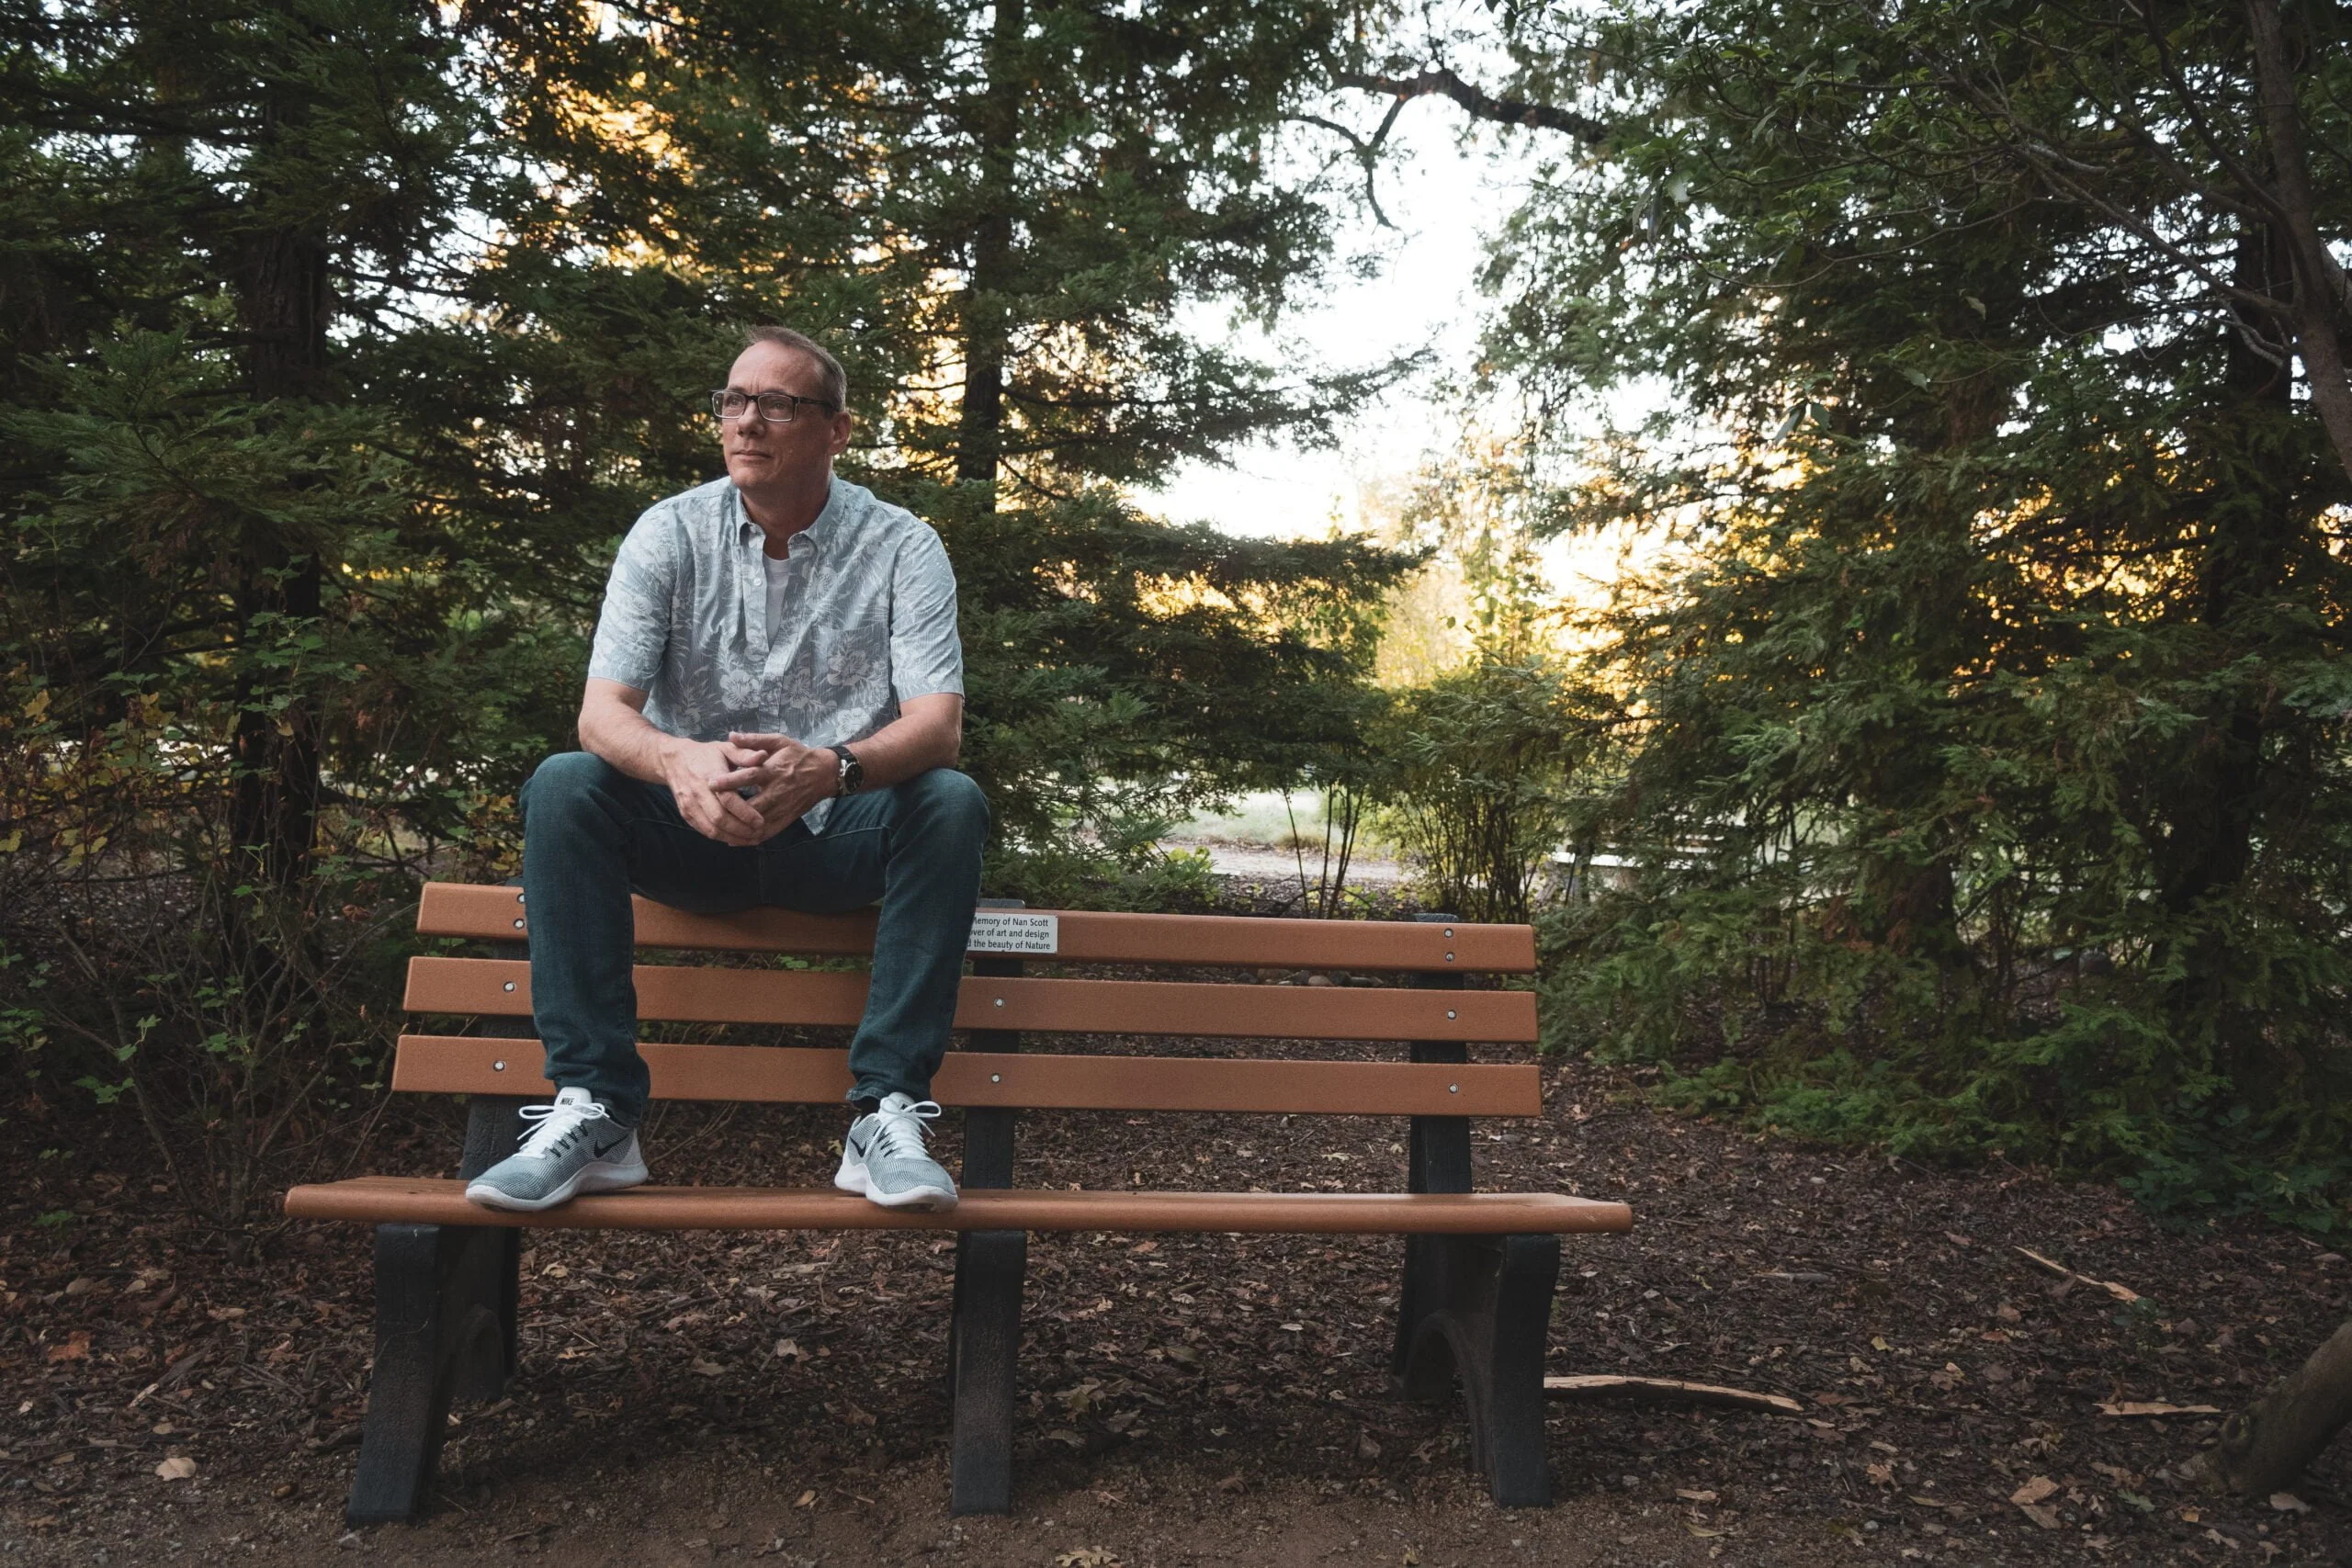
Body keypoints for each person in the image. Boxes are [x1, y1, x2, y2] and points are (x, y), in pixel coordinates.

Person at [464, 326, 988, 1214]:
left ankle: (883, 1110)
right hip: (692, 832)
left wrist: (833, 767)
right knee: (564, 783)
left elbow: (937, 728)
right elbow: (602, 715)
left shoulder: (903, 545)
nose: (747, 422)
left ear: (837, 430)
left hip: (834, 834)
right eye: (734, 401)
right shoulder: (668, 533)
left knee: (948, 801)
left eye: (778, 404)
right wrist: (679, 762)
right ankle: (598, 1108)